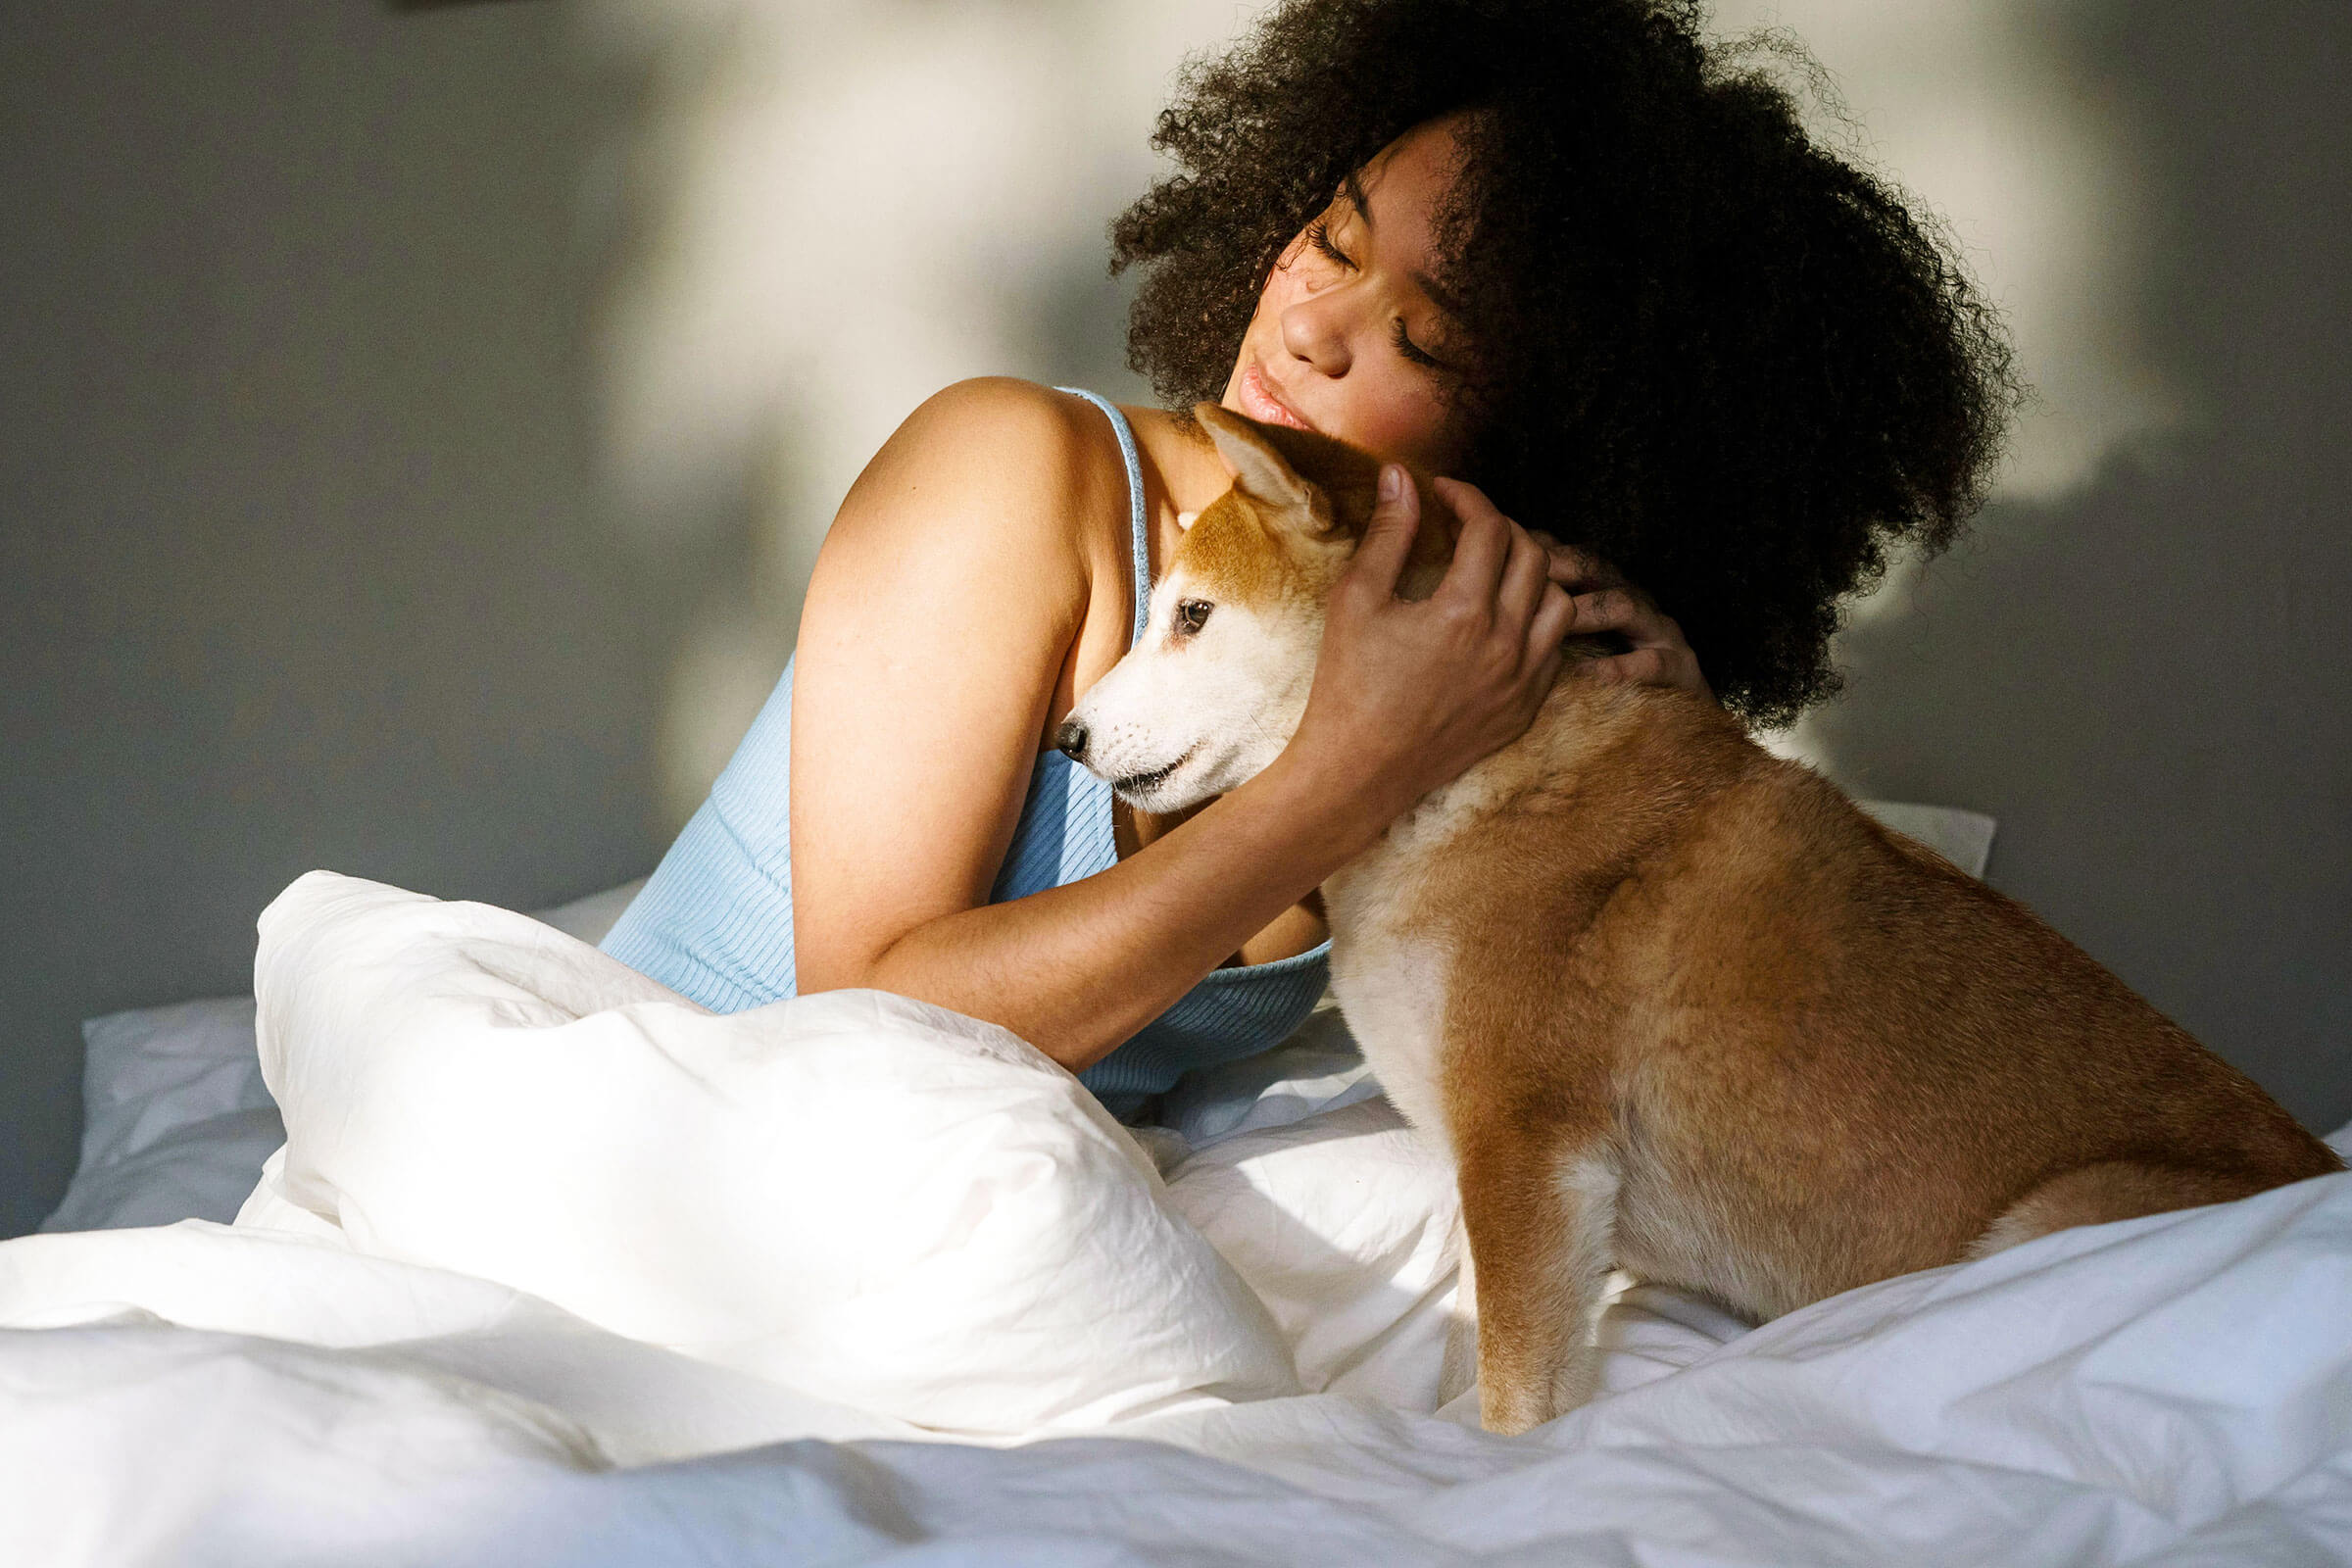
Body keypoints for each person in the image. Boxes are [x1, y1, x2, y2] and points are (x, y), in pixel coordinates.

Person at [600, 0, 2014, 1120]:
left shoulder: (1468, 681)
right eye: (1330, 237)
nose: (1312, 325)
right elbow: (865, 1031)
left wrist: (1653, 752)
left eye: (1424, 339)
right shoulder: (1009, 475)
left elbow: (1628, 1071)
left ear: (1552, 443)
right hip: (679, 1151)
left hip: (960, 1241)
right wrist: (1352, 772)